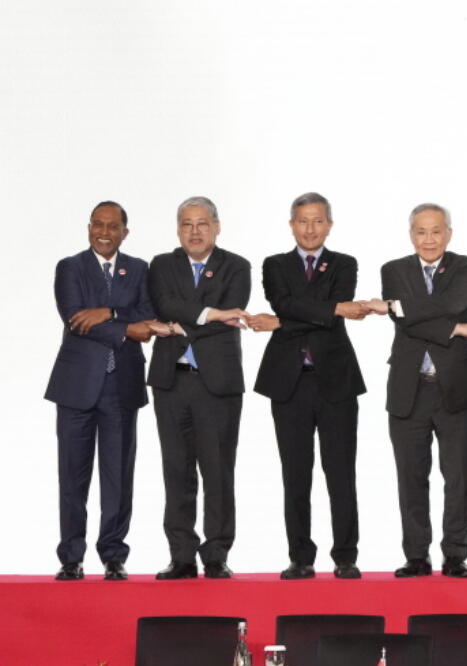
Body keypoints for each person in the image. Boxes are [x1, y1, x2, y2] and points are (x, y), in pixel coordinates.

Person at [249, 192, 368, 580]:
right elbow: (287, 302)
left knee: (340, 472)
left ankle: (345, 556)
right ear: (291, 225)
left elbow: (318, 311)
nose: (310, 228)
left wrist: (284, 321)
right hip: (289, 383)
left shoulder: (344, 263)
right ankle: (301, 557)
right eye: (303, 221)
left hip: (336, 380)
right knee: (295, 474)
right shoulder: (274, 264)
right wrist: (328, 309)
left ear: (329, 225)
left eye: (318, 221)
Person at [46, 201, 167, 581]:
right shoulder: (70, 268)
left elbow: (150, 321)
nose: (104, 231)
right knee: (73, 475)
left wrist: (110, 313)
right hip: (76, 388)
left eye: (112, 226)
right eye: (97, 224)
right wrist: (124, 325)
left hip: (121, 386)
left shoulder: (141, 269)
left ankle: (113, 555)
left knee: (118, 476)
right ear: (88, 228)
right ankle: (71, 556)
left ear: (124, 232)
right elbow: (76, 318)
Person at [365, 203, 467, 578]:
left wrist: (395, 307)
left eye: (436, 231)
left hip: (456, 386)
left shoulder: (465, 266)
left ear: (448, 233)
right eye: (421, 231)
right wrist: (454, 329)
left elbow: (452, 304)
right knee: (411, 476)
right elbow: (411, 322)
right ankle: (416, 555)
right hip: (409, 387)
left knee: (458, 476)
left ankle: (455, 554)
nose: (429, 239)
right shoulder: (394, 269)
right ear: (410, 234)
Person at [147, 196, 251, 579]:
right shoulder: (161, 265)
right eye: (187, 224)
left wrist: (179, 319)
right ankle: (182, 556)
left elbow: (232, 306)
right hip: (171, 382)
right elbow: (161, 302)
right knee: (176, 470)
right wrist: (211, 313)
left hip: (217, 385)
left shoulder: (237, 266)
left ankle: (216, 555)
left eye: (202, 223)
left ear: (217, 227)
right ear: (178, 229)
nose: (195, 231)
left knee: (218, 471)